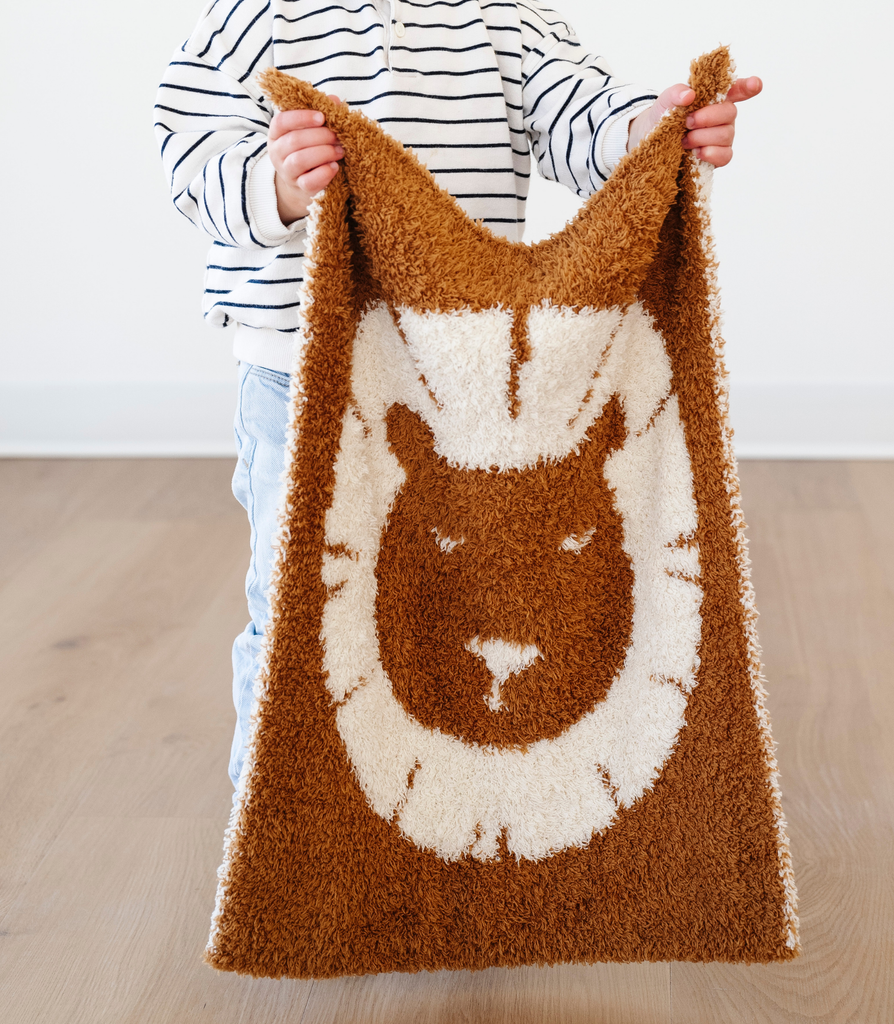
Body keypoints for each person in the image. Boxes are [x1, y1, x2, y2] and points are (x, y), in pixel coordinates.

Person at [154, 0, 761, 794]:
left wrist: (647, 132)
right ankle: (271, 805)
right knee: (300, 601)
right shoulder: (258, 16)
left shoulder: (505, 18)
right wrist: (275, 185)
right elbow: (190, 152)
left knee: (447, 601)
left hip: (458, 382)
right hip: (302, 372)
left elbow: (576, 111)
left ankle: (431, 802)